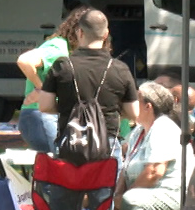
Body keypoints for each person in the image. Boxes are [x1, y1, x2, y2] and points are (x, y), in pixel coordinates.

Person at [33, 8, 138, 160]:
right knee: (106, 183)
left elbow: (44, 106)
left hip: (70, 141)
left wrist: (66, 109)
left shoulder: (62, 66)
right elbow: (134, 112)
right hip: (106, 144)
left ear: (79, 32)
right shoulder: (120, 69)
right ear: (106, 34)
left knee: (68, 183)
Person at [116, 80, 184, 210]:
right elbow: (126, 167)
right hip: (149, 194)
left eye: (135, 99)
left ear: (148, 106)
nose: (129, 103)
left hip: (175, 194)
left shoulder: (164, 128)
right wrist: (117, 193)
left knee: (131, 201)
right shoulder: (138, 131)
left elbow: (155, 172)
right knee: (108, 200)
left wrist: (125, 196)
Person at [15, 6, 88, 153]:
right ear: (79, 32)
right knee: (60, 163)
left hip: (43, 115)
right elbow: (24, 60)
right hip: (40, 116)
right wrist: (42, 89)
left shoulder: (67, 49)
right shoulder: (58, 48)